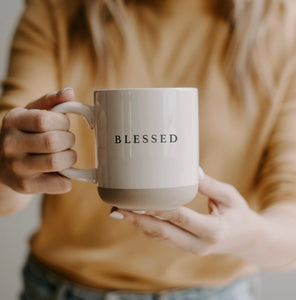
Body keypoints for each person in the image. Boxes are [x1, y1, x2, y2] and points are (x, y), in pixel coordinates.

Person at [1, 0, 296, 299]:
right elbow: (6, 193)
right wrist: (11, 164)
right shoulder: (58, 9)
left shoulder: (284, 24)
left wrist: (244, 236)